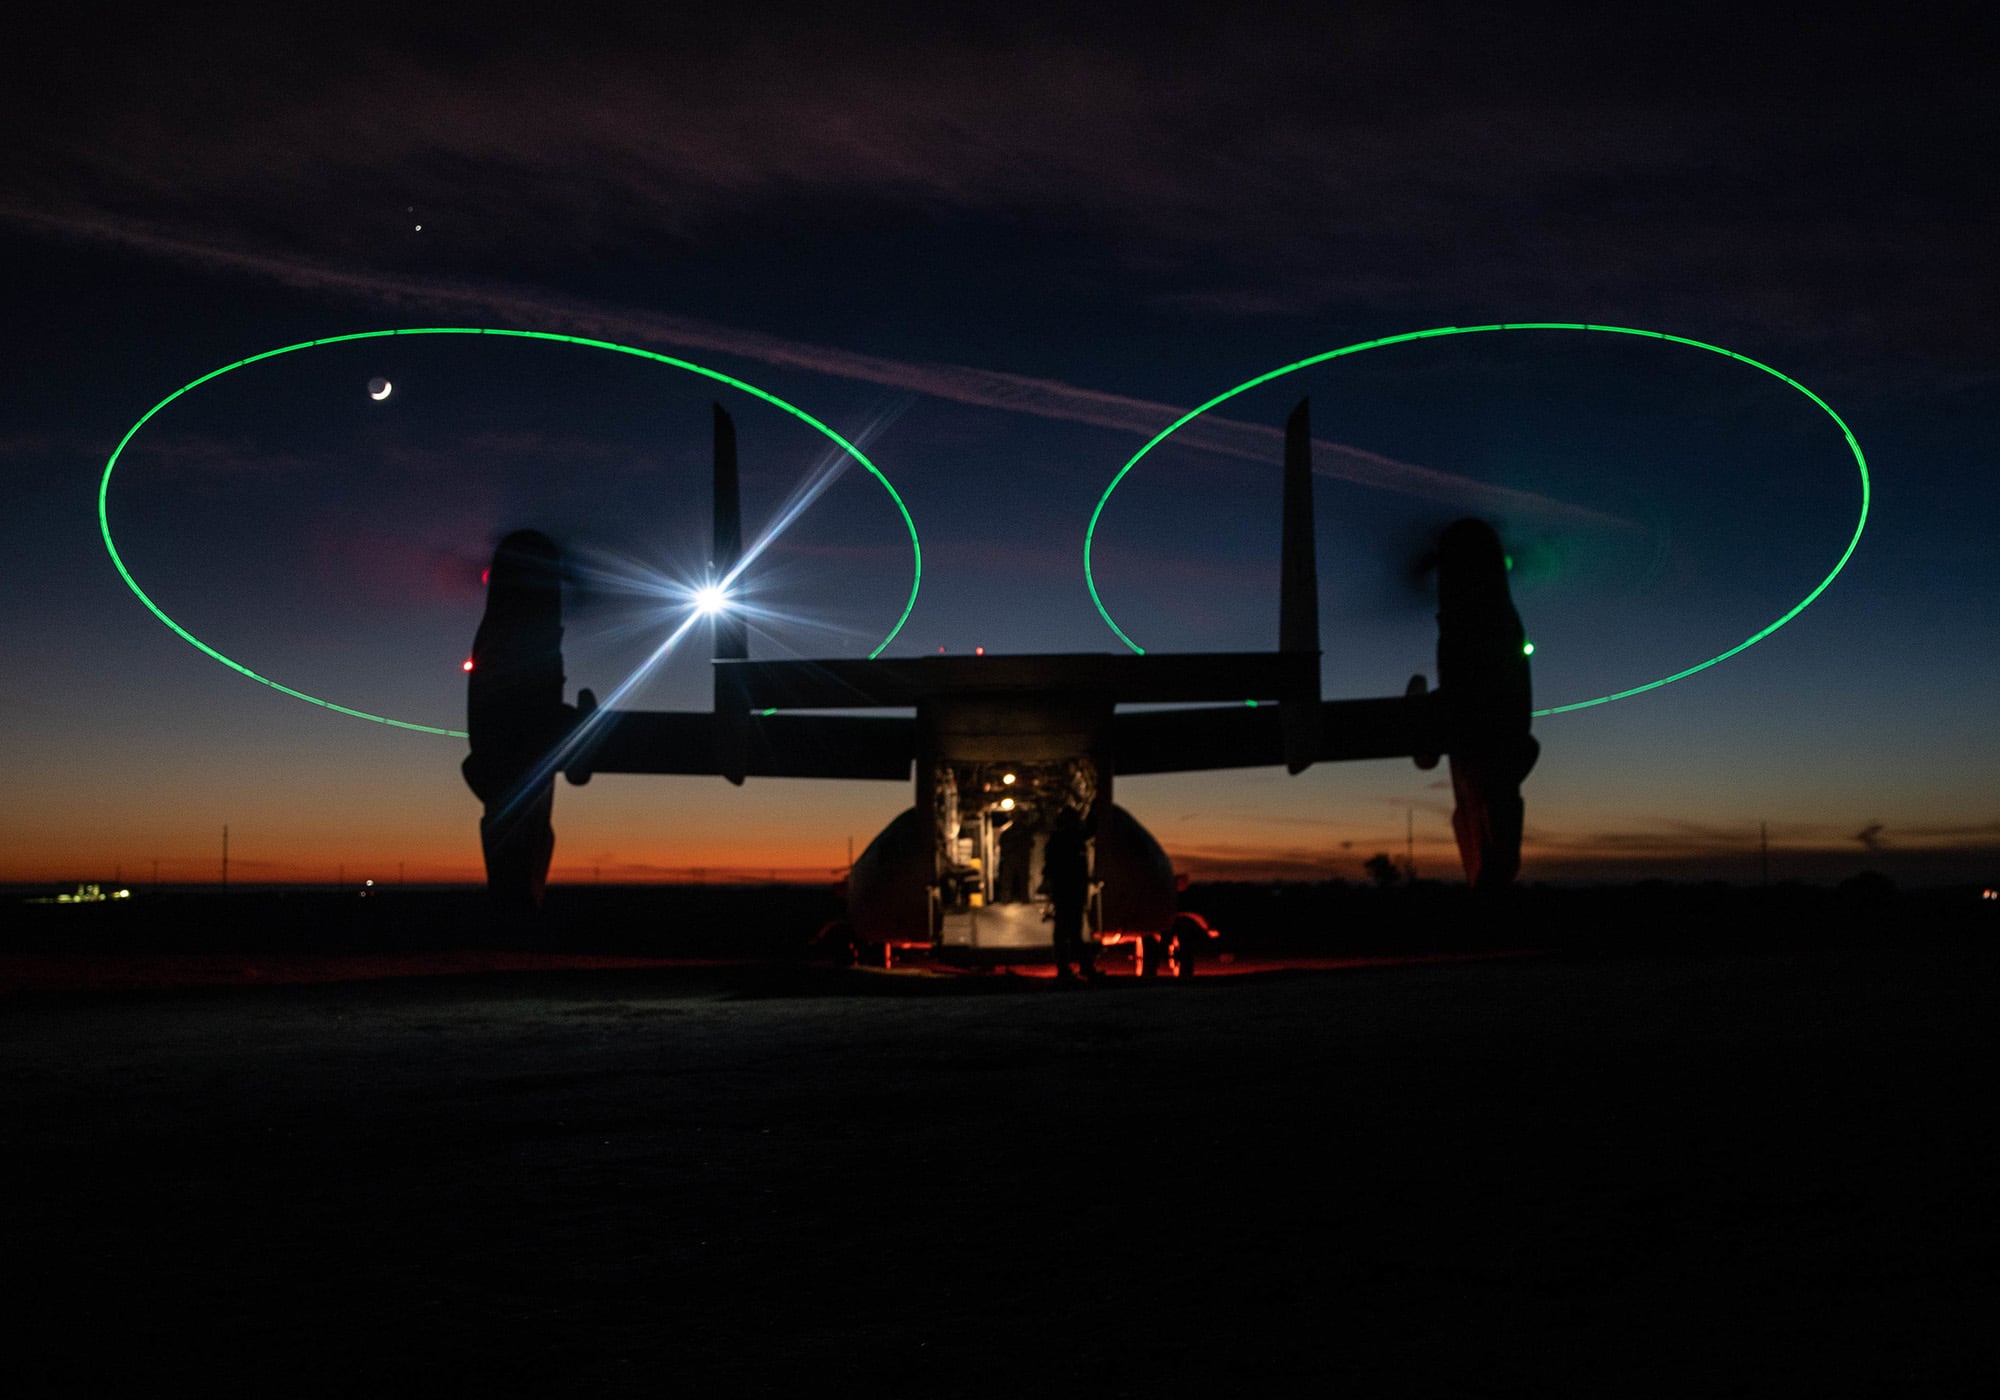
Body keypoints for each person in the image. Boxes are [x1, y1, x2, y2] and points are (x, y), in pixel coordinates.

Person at [1040, 807, 1094, 981]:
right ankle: (1082, 967)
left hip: (1063, 891)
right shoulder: (1071, 839)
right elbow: (1088, 832)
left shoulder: (1058, 839)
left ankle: (1067, 968)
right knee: (1072, 932)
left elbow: (1049, 867)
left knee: (1064, 932)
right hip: (1070, 891)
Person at [996, 813, 1036, 904]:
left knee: (1022, 879)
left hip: (1020, 859)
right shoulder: (1008, 831)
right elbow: (1002, 844)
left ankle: (1023, 898)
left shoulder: (1025, 831)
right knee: (1008, 879)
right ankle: (1007, 898)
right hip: (1011, 858)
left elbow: (1031, 843)